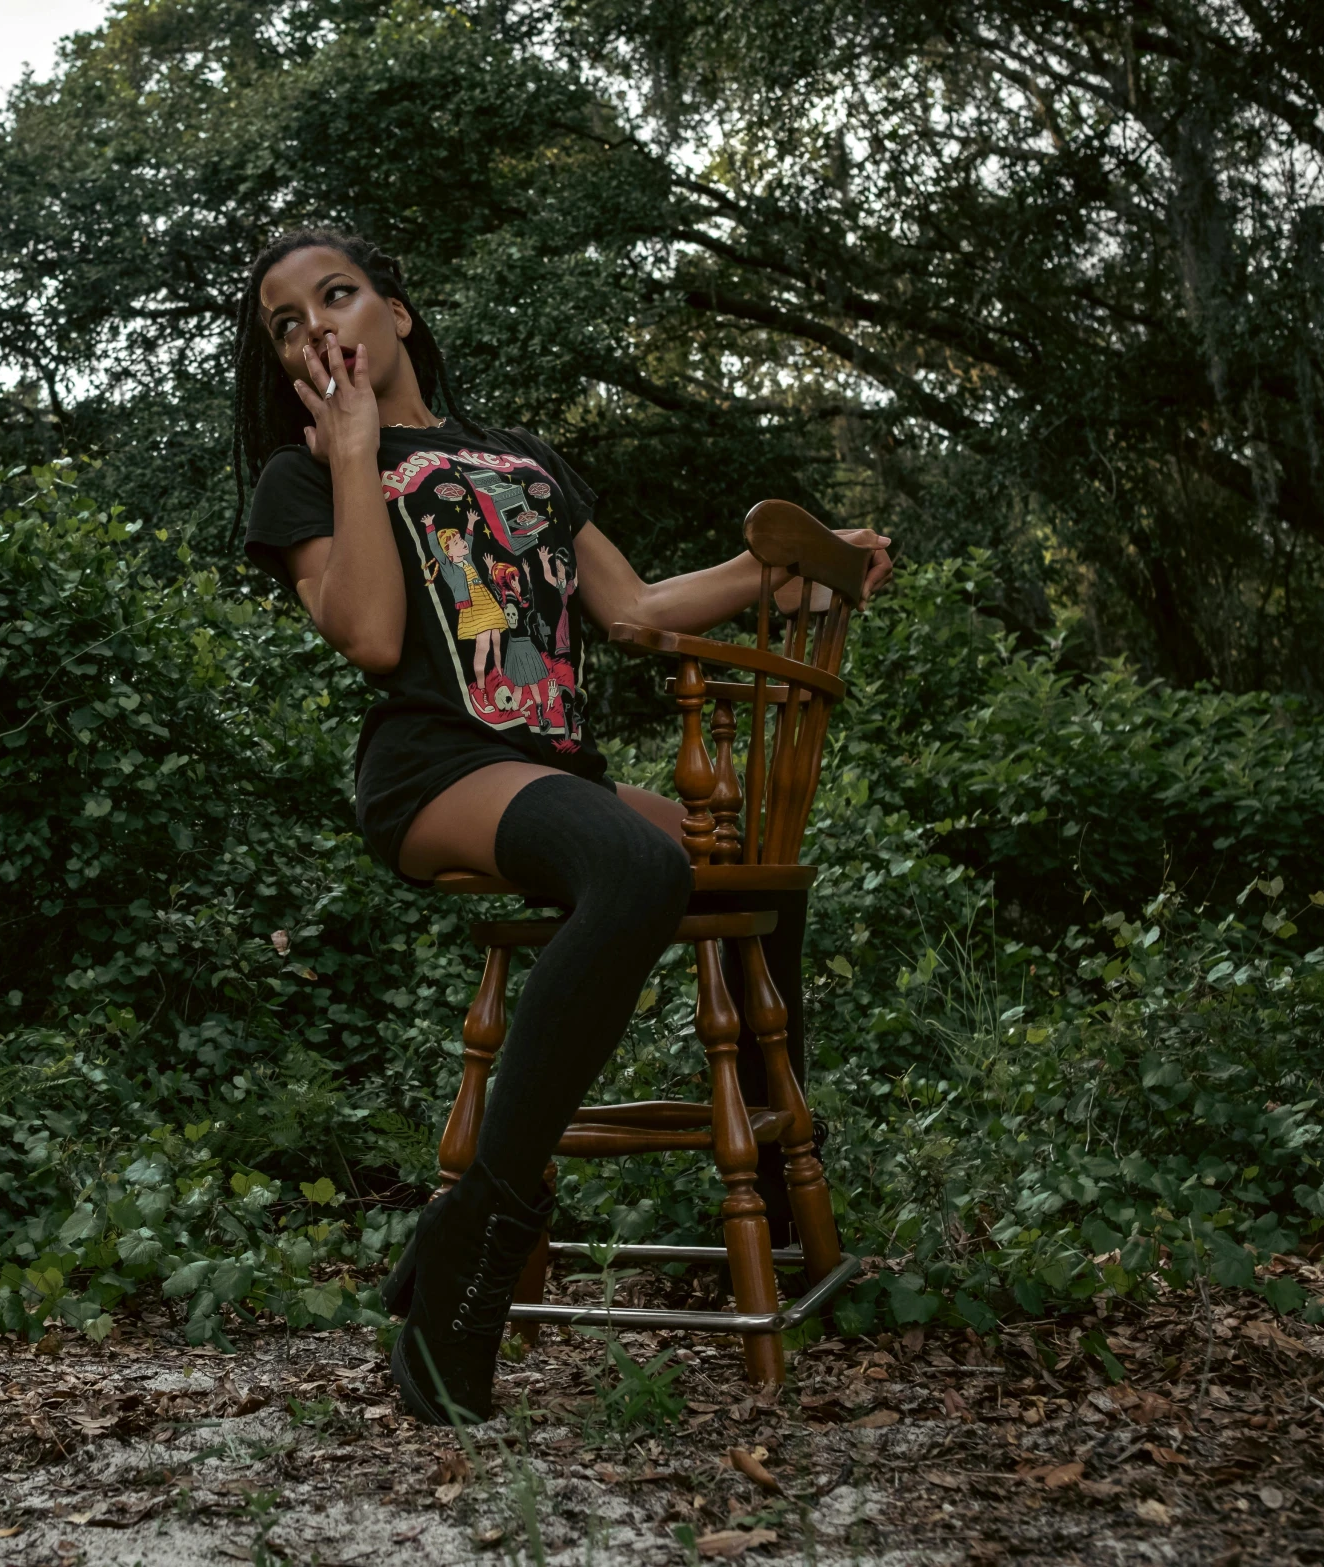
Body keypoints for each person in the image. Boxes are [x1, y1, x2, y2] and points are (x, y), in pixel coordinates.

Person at [234, 231, 892, 1425]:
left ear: (399, 309)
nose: (315, 326)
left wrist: (792, 569)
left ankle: (788, 1216)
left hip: (550, 770)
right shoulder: (303, 478)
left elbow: (634, 609)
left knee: (758, 878)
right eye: (286, 321)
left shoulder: (523, 459)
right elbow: (376, 637)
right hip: (436, 771)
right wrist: (353, 454)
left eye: (336, 295)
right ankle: (472, 1262)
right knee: (639, 862)